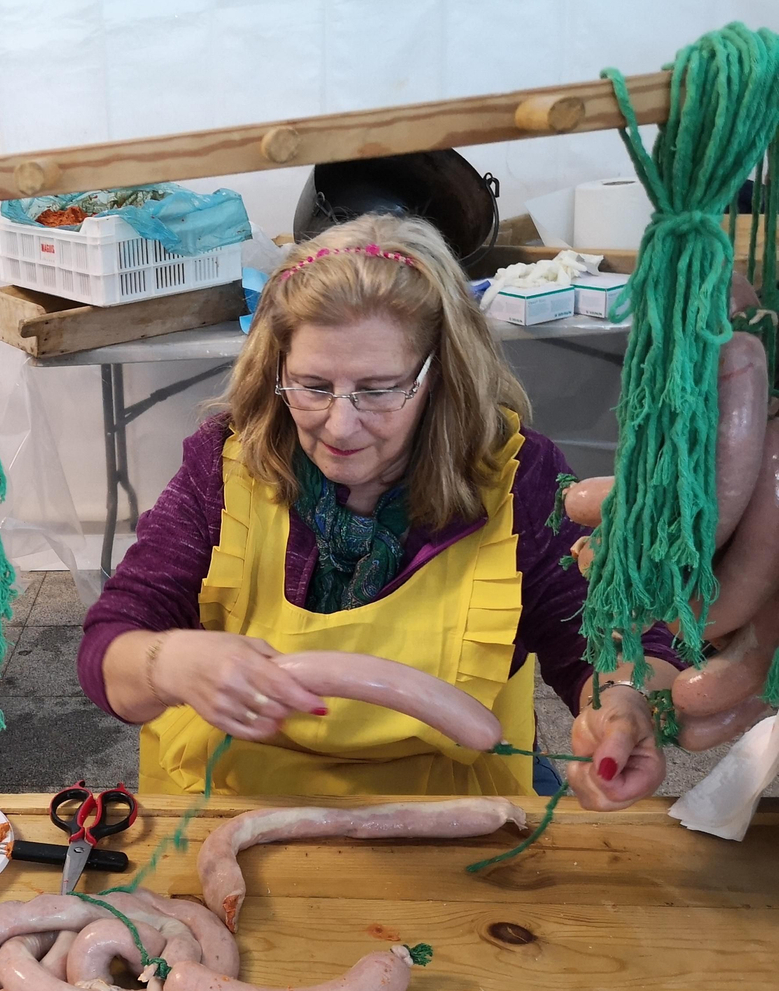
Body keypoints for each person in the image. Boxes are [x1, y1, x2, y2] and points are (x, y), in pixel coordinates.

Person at [78, 215, 680, 811]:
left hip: (446, 813)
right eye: (313, 386)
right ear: (276, 368)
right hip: (234, 800)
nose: (341, 425)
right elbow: (110, 645)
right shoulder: (226, 462)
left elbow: (607, 638)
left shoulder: (521, 478)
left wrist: (623, 704)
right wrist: (167, 663)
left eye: (380, 388)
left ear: (439, 375)